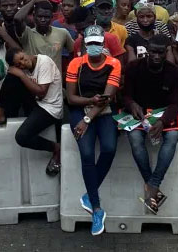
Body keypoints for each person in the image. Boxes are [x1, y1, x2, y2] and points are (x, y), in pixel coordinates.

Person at [65, 25, 121, 236]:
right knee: (87, 154)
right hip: (80, 109)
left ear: (104, 44)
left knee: (109, 148)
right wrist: (89, 102)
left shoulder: (113, 64)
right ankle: (96, 208)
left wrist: (88, 118)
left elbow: (107, 98)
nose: (94, 47)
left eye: (98, 43)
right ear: (84, 46)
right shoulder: (75, 64)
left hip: (102, 111)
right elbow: (71, 98)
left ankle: (89, 194)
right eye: (91, 44)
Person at [122, 34, 178, 214]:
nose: (156, 56)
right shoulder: (133, 68)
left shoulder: (174, 72)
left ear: (166, 52)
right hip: (139, 112)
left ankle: (152, 185)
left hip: (163, 112)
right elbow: (125, 95)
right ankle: (153, 186)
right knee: (134, 139)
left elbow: (176, 103)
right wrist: (132, 104)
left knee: (172, 137)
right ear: (147, 51)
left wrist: (163, 122)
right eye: (153, 52)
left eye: (160, 52)